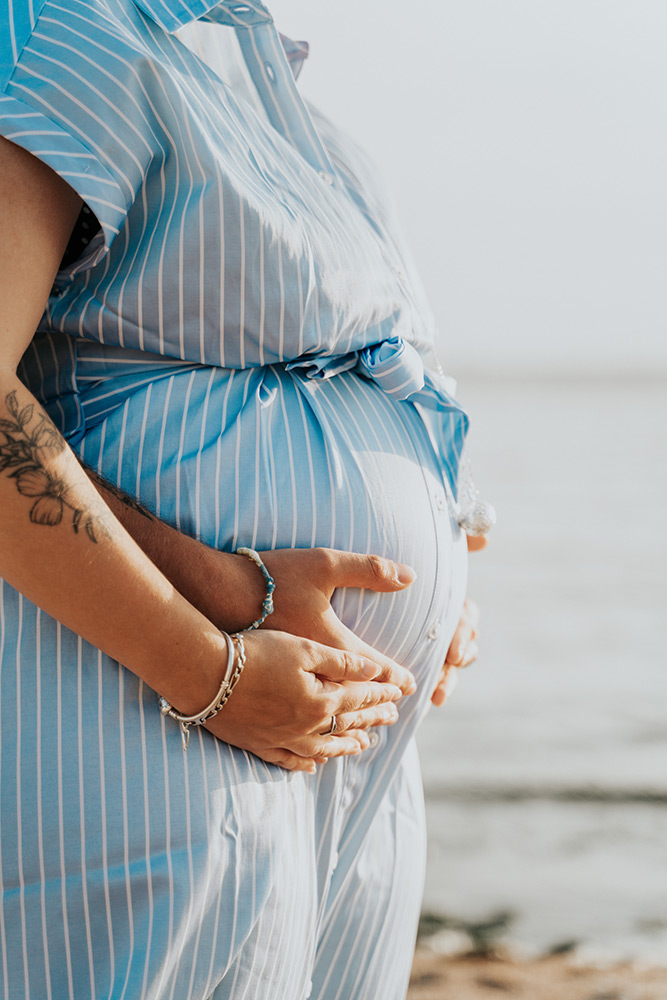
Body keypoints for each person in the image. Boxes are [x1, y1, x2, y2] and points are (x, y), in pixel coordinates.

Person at [0, 1, 482, 997]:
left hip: (333, 738)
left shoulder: (251, 76)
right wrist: (208, 654)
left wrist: (437, 565)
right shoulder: (59, 29)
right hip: (144, 702)